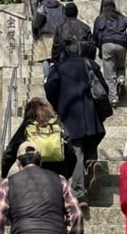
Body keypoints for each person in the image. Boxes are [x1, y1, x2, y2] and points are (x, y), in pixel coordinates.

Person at [44, 51, 108, 210]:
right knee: (91, 145)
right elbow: (103, 86)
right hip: (91, 113)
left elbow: (49, 87)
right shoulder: (89, 64)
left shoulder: (58, 68)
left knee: (77, 151)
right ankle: (92, 165)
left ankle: (80, 193)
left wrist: (57, 103)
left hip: (70, 114)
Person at [1, 97, 76, 180]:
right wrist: (67, 174)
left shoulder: (28, 125)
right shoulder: (57, 124)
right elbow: (71, 152)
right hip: (58, 174)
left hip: (33, 175)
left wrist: (2, 173)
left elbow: (11, 150)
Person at [93, 0, 127, 107]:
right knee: (120, 66)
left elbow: (95, 35)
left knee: (109, 73)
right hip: (121, 44)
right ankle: (121, 80)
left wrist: (100, 47)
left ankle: (113, 98)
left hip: (107, 44)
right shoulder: (121, 17)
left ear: (102, 6)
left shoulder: (100, 18)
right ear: (113, 5)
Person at [32, 0, 65, 79]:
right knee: (57, 57)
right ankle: (59, 76)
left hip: (44, 35)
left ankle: (47, 78)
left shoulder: (42, 7)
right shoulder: (61, 7)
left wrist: (35, 34)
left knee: (45, 58)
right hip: (58, 34)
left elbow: (36, 23)